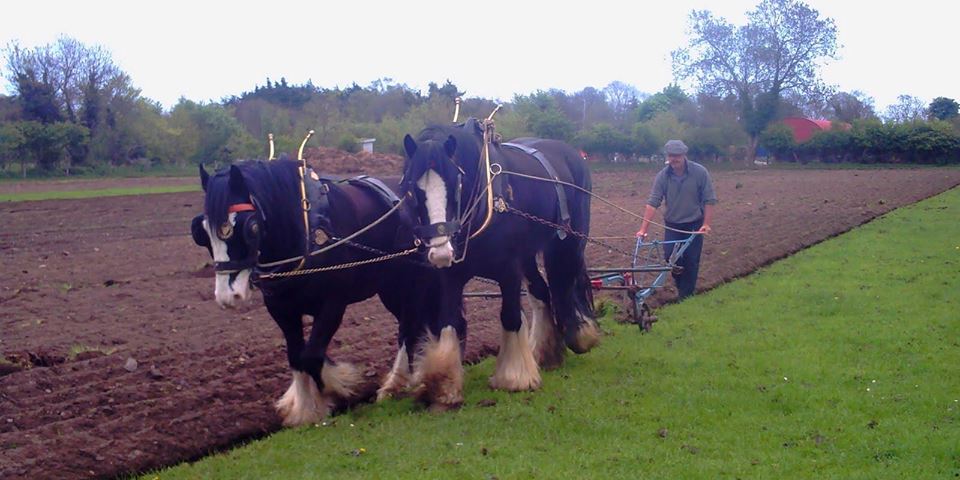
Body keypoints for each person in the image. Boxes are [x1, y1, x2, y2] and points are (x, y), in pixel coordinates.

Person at [636, 140, 717, 300]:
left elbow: (709, 199)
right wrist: (643, 229)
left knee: (691, 261)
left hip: (694, 224)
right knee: (671, 259)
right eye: (671, 156)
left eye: (677, 156)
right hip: (673, 225)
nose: (674, 159)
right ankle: (682, 287)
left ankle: (686, 297)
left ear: (684, 155)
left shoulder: (699, 172)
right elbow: (653, 202)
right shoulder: (663, 176)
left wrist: (706, 224)